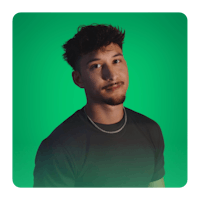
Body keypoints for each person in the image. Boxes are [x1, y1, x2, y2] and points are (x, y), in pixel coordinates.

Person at [33, 24, 165, 188]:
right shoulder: (57, 148)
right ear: (78, 79)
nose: (112, 75)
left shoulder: (151, 130)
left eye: (116, 61)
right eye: (96, 66)